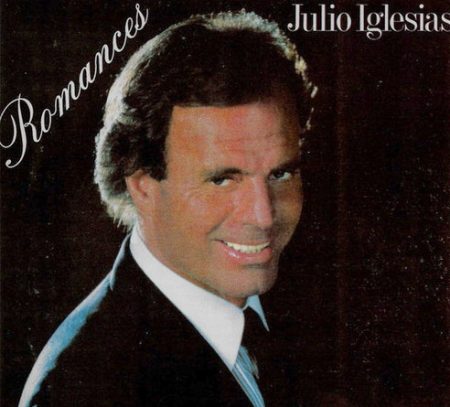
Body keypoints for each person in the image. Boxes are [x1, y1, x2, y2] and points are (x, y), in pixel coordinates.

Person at [19, 10, 315, 407]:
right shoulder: (82, 388)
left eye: (281, 174)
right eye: (222, 180)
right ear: (142, 184)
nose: (263, 216)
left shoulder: (300, 313)